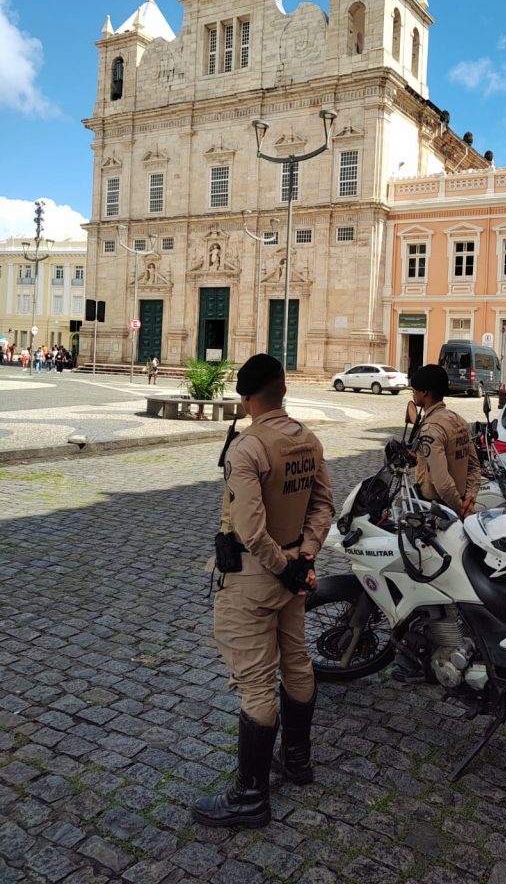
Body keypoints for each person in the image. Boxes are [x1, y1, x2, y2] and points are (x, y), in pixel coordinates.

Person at [192, 353, 334, 830]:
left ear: (245, 398)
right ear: (284, 389)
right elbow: (322, 504)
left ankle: (250, 796)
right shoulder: (308, 440)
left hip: (255, 577)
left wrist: (281, 567)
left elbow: (250, 528)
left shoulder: (247, 448)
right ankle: (298, 761)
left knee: (255, 682)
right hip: (292, 569)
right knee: (296, 661)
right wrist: (305, 557)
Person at [410, 363, 481, 520]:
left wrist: (459, 509)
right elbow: (475, 467)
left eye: (414, 390)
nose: (413, 394)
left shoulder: (431, 429)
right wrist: (469, 498)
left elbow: (441, 483)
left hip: (438, 509)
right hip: (460, 501)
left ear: (425, 392)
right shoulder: (458, 420)